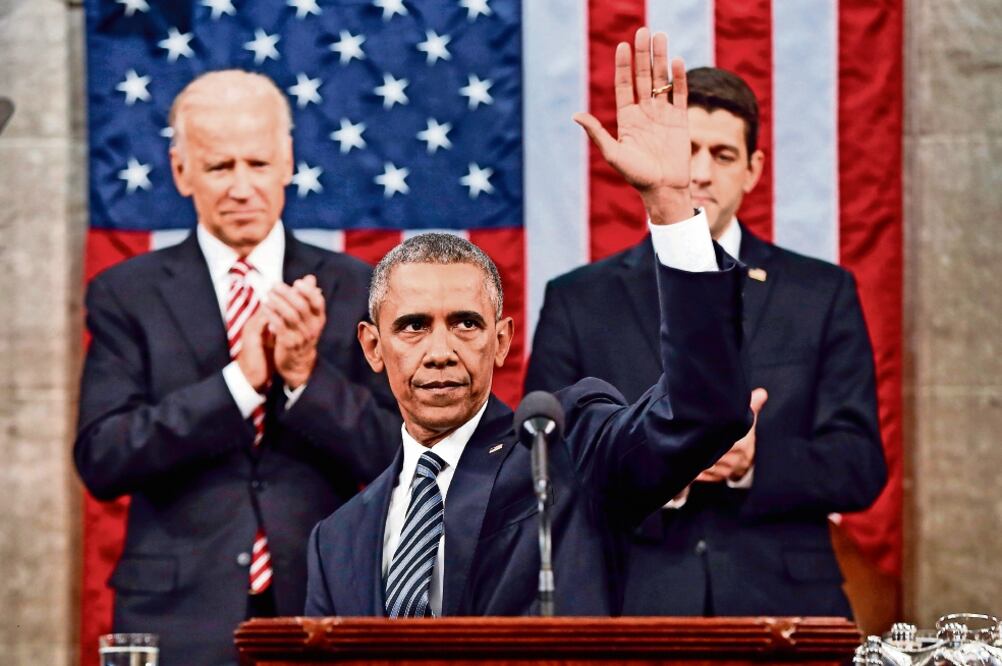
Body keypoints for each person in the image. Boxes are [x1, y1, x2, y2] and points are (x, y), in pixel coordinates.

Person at [305, 27, 753, 618]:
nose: (440, 350)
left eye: (465, 323)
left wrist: (670, 205)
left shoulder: (567, 458)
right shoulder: (336, 539)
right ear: (372, 344)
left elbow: (703, 412)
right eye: (413, 327)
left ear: (502, 339)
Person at [524, 66, 887, 616]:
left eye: (721, 154)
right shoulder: (579, 298)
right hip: (631, 599)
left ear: (752, 170)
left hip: (784, 604)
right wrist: (665, 461)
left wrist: (752, 460)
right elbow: (545, 463)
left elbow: (859, 465)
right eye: (686, 149)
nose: (698, 172)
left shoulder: (822, 292)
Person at [74, 70, 400, 665]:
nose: (242, 187)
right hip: (177, 619)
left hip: (323, 605)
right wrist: (240, 384)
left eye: (257, 163)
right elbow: (103, 457)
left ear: (288, 163)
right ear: (181, 172)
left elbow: (396, 459)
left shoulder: (358, 288)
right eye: (221, 168)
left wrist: (305, 380)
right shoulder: (126, 292)